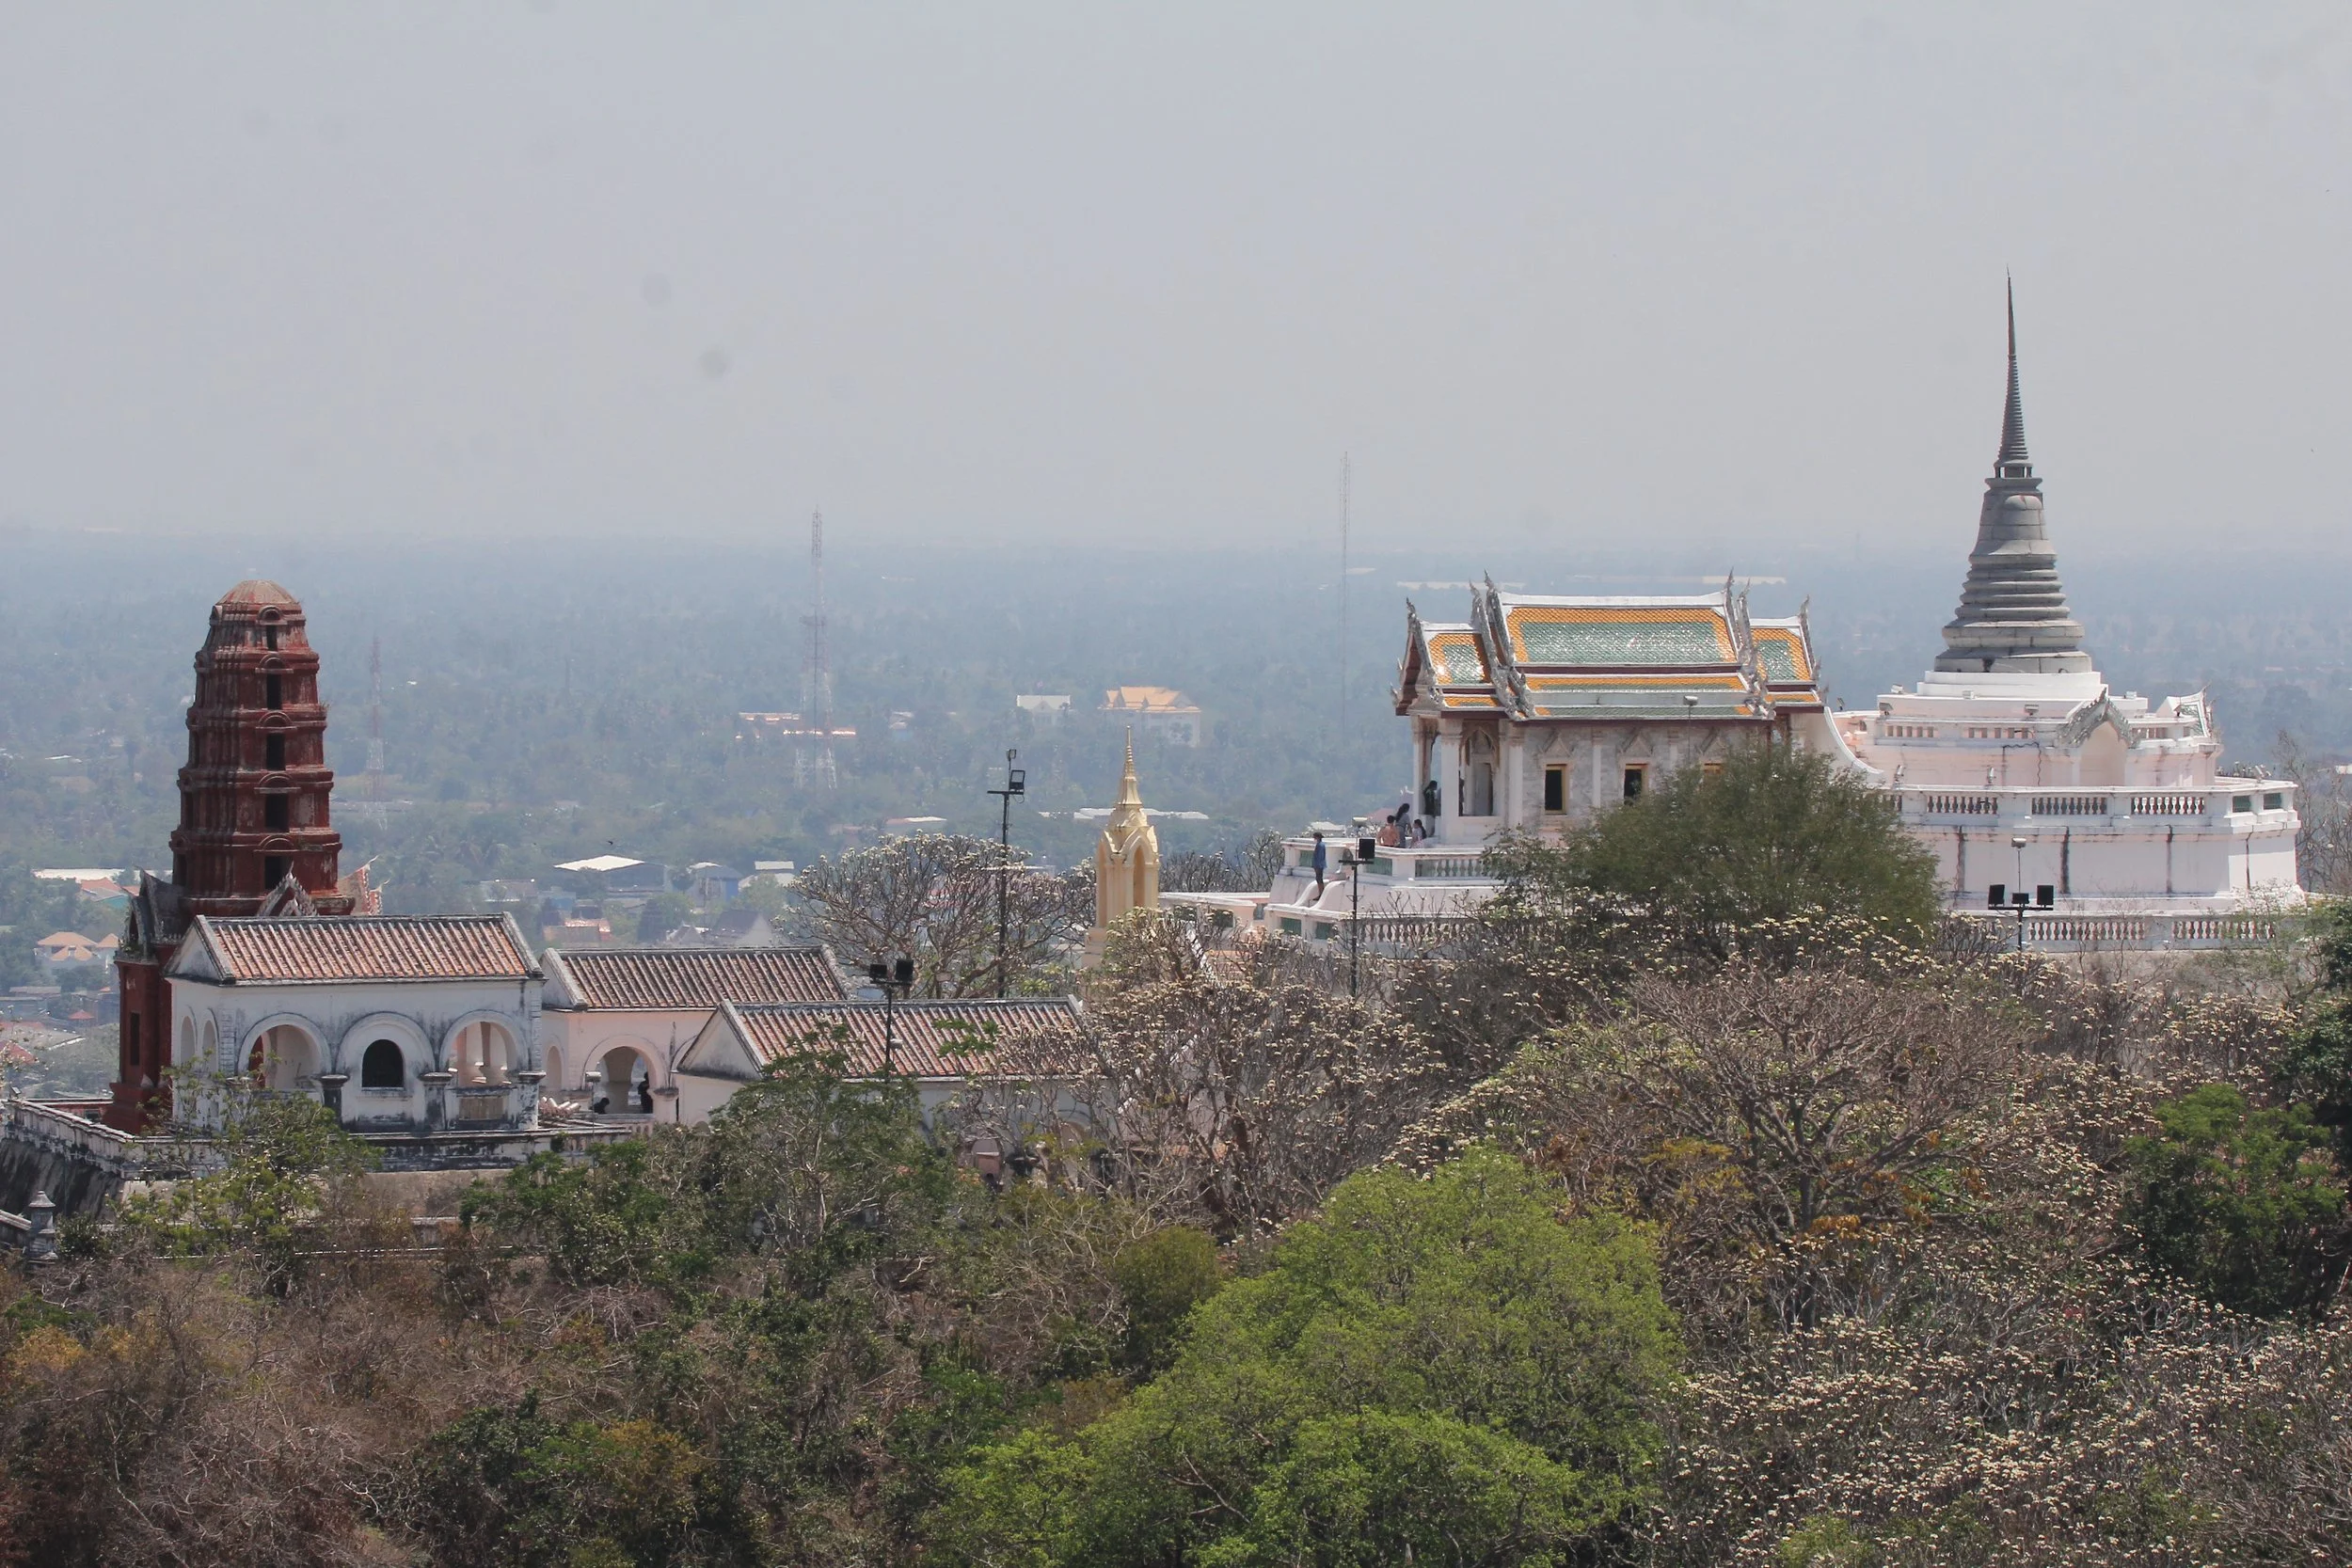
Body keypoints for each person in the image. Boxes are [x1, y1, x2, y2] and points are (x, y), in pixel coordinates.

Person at [1311, 830, 1327, 894]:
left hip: (1319, 865)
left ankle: (1321, 893)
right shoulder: (1321, 844)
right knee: (1319, 879)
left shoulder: (1320, 845)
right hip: (1319, 865)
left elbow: (1319, 856)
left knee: (1319, 880)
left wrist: (1317, 865)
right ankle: (1321, 893)